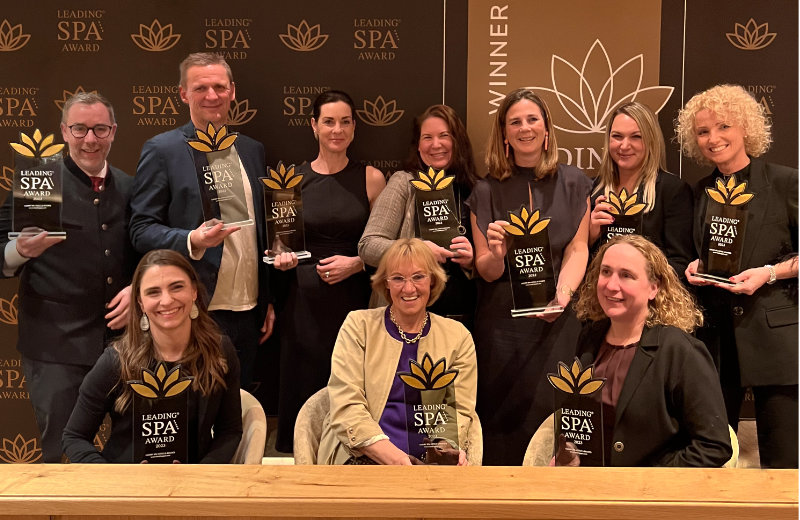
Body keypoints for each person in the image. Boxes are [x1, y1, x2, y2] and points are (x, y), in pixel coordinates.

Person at [0, 92, 135, 462]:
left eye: (100, 129)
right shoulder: (36, 183)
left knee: (133, 453)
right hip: (55, 349)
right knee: (62, 456)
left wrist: (137, 291)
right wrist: (19, 250)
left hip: (124, 347)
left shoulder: (131, 187)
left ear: (113, 132)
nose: (90, 139)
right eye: (79, 129)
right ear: (64, 131)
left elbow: (149, 251)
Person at [129, 52, 273, 389]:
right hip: (195, 310)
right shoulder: (163, 150)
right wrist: (191, 239)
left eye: (220, 87)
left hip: (249, 311)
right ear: (183, 94)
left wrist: (267, 299)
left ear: (232, 91)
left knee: (238, 408)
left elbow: (260, 232)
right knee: (194, 409)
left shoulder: (252, 150)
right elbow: (141, 229)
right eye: (200, 88)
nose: (212, 95)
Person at [466, 88, 592, 465]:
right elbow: (486, 270)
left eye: (532, 119)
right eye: (515, 122)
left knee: (554, 415)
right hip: (502, 324)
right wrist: (497, 254)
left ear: (547, 128)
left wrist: (563, 295)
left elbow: (578, 249)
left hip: (560, 315)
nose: (525, 128)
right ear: (504, 133)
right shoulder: (485, 190)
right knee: (502, 422)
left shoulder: (576, 183)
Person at [676, 84, 798, 468]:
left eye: (723, 126)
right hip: (715, 344)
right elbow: (697, 255)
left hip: (776, 344)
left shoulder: (785, 182)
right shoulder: (699, 192)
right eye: (703, 131)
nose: (713, 138)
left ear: (745, 127)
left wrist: (769, 273)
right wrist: (694, 267)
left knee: (785, 464)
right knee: (712, 460)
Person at [271, 90, 385, 452]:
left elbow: (386, 245)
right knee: (303, 382)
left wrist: (356, 263)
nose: (337, 130)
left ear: (354, 127)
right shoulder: (291, 180)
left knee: (351, 382)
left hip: (354, 302)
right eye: (329, 122)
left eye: (345, 122)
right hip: (303, 302)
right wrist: (282, 259)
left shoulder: (372, 178)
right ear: (314, 126)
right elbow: (280, 244)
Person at [62, 249, 242, 463]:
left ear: (194, 291)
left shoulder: (219, 351)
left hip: (192, 480)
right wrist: (116, 477)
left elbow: (229, 431)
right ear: (140, 302)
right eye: (153, 292)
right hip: (127, 480)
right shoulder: (116, 360)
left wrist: (199, 474)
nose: (166, 300)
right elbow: (74, 437)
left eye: (177, 287)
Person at [570, 234, 732, 466]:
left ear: (654, 288)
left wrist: (648, 480)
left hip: (653, 486)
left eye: (626, 275)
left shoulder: (680, 351)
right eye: (605, 272)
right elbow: (578, 419)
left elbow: (714, 446)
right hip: (591, 482)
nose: (611, 285)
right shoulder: (590, 337)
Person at [317, 238, 478, 465]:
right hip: (365, 453)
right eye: (398, 278)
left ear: (432, 280)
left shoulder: (457, 336)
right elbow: (347, 405)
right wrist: (397, 460)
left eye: (418, 277)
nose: (409, 288)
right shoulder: (358, 326)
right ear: (386, 283)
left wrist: (445, 448)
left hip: (429, 461)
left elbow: (458, 409)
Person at [359, 105, 478, 328]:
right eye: (427, 137)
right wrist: (418, 251)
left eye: (444, 136)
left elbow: (492, 266)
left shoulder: (474, 188)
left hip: (462, 321)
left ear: (458, 141)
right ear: (418, 146)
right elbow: (368, 246)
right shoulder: (404, 183)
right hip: (407, 323)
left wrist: (472, 262)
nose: (436, 144)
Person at [589, 102, 694, 279]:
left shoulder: (672, 190)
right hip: (602, 292)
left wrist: (639, 280)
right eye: (617, 136)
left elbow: (681, 263)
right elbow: (579, 261)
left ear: (651, 140)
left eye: (636, 137)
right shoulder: (592, 189)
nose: (624, 146)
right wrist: (591, 237)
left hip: (651, 294)